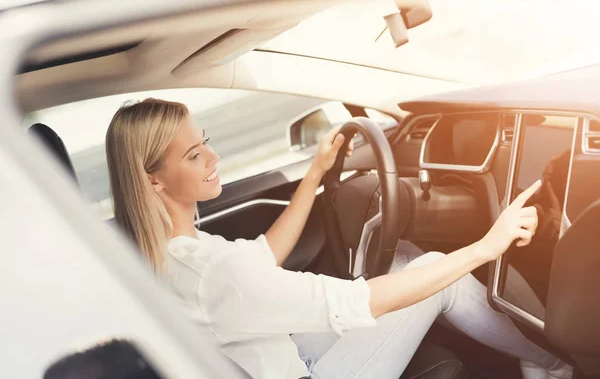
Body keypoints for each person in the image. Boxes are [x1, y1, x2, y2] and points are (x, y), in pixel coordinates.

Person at [105, 98, 572, 379]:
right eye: (193, 154)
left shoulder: (179, 253)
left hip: (282, 356)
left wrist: (315, 174)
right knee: (437, 272)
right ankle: (554, 365)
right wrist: (486, 247)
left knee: (406, 257)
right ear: (153, 181)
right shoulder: (209, 271)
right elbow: (361, 302)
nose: (213, 156)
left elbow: (264, 255)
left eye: (204, 140)